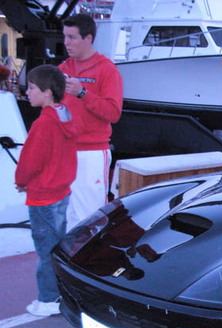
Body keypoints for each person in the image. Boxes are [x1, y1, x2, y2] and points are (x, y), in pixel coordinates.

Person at [15, 64, 78, 317]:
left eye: (31, 88)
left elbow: (30, 161)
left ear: (48, 92)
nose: (27, 92)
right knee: (57, 244)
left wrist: (21, 182)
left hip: (43, 197)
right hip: (61, 193)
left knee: (45, 249)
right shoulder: (65, 116)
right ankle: (60, 291)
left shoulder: (43, 124)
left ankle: (48, 299)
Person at [59, 13, 123, 230]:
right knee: (66, 214)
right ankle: (68, 261)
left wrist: (82, 92)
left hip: (91, 154)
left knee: (91, 217)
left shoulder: (106, 70)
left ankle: (94, 262)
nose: (66, 43)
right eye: (65, 37)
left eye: (72, 37)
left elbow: (113, 113)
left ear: (88, 38)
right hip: (64, 151)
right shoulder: (62, 70)